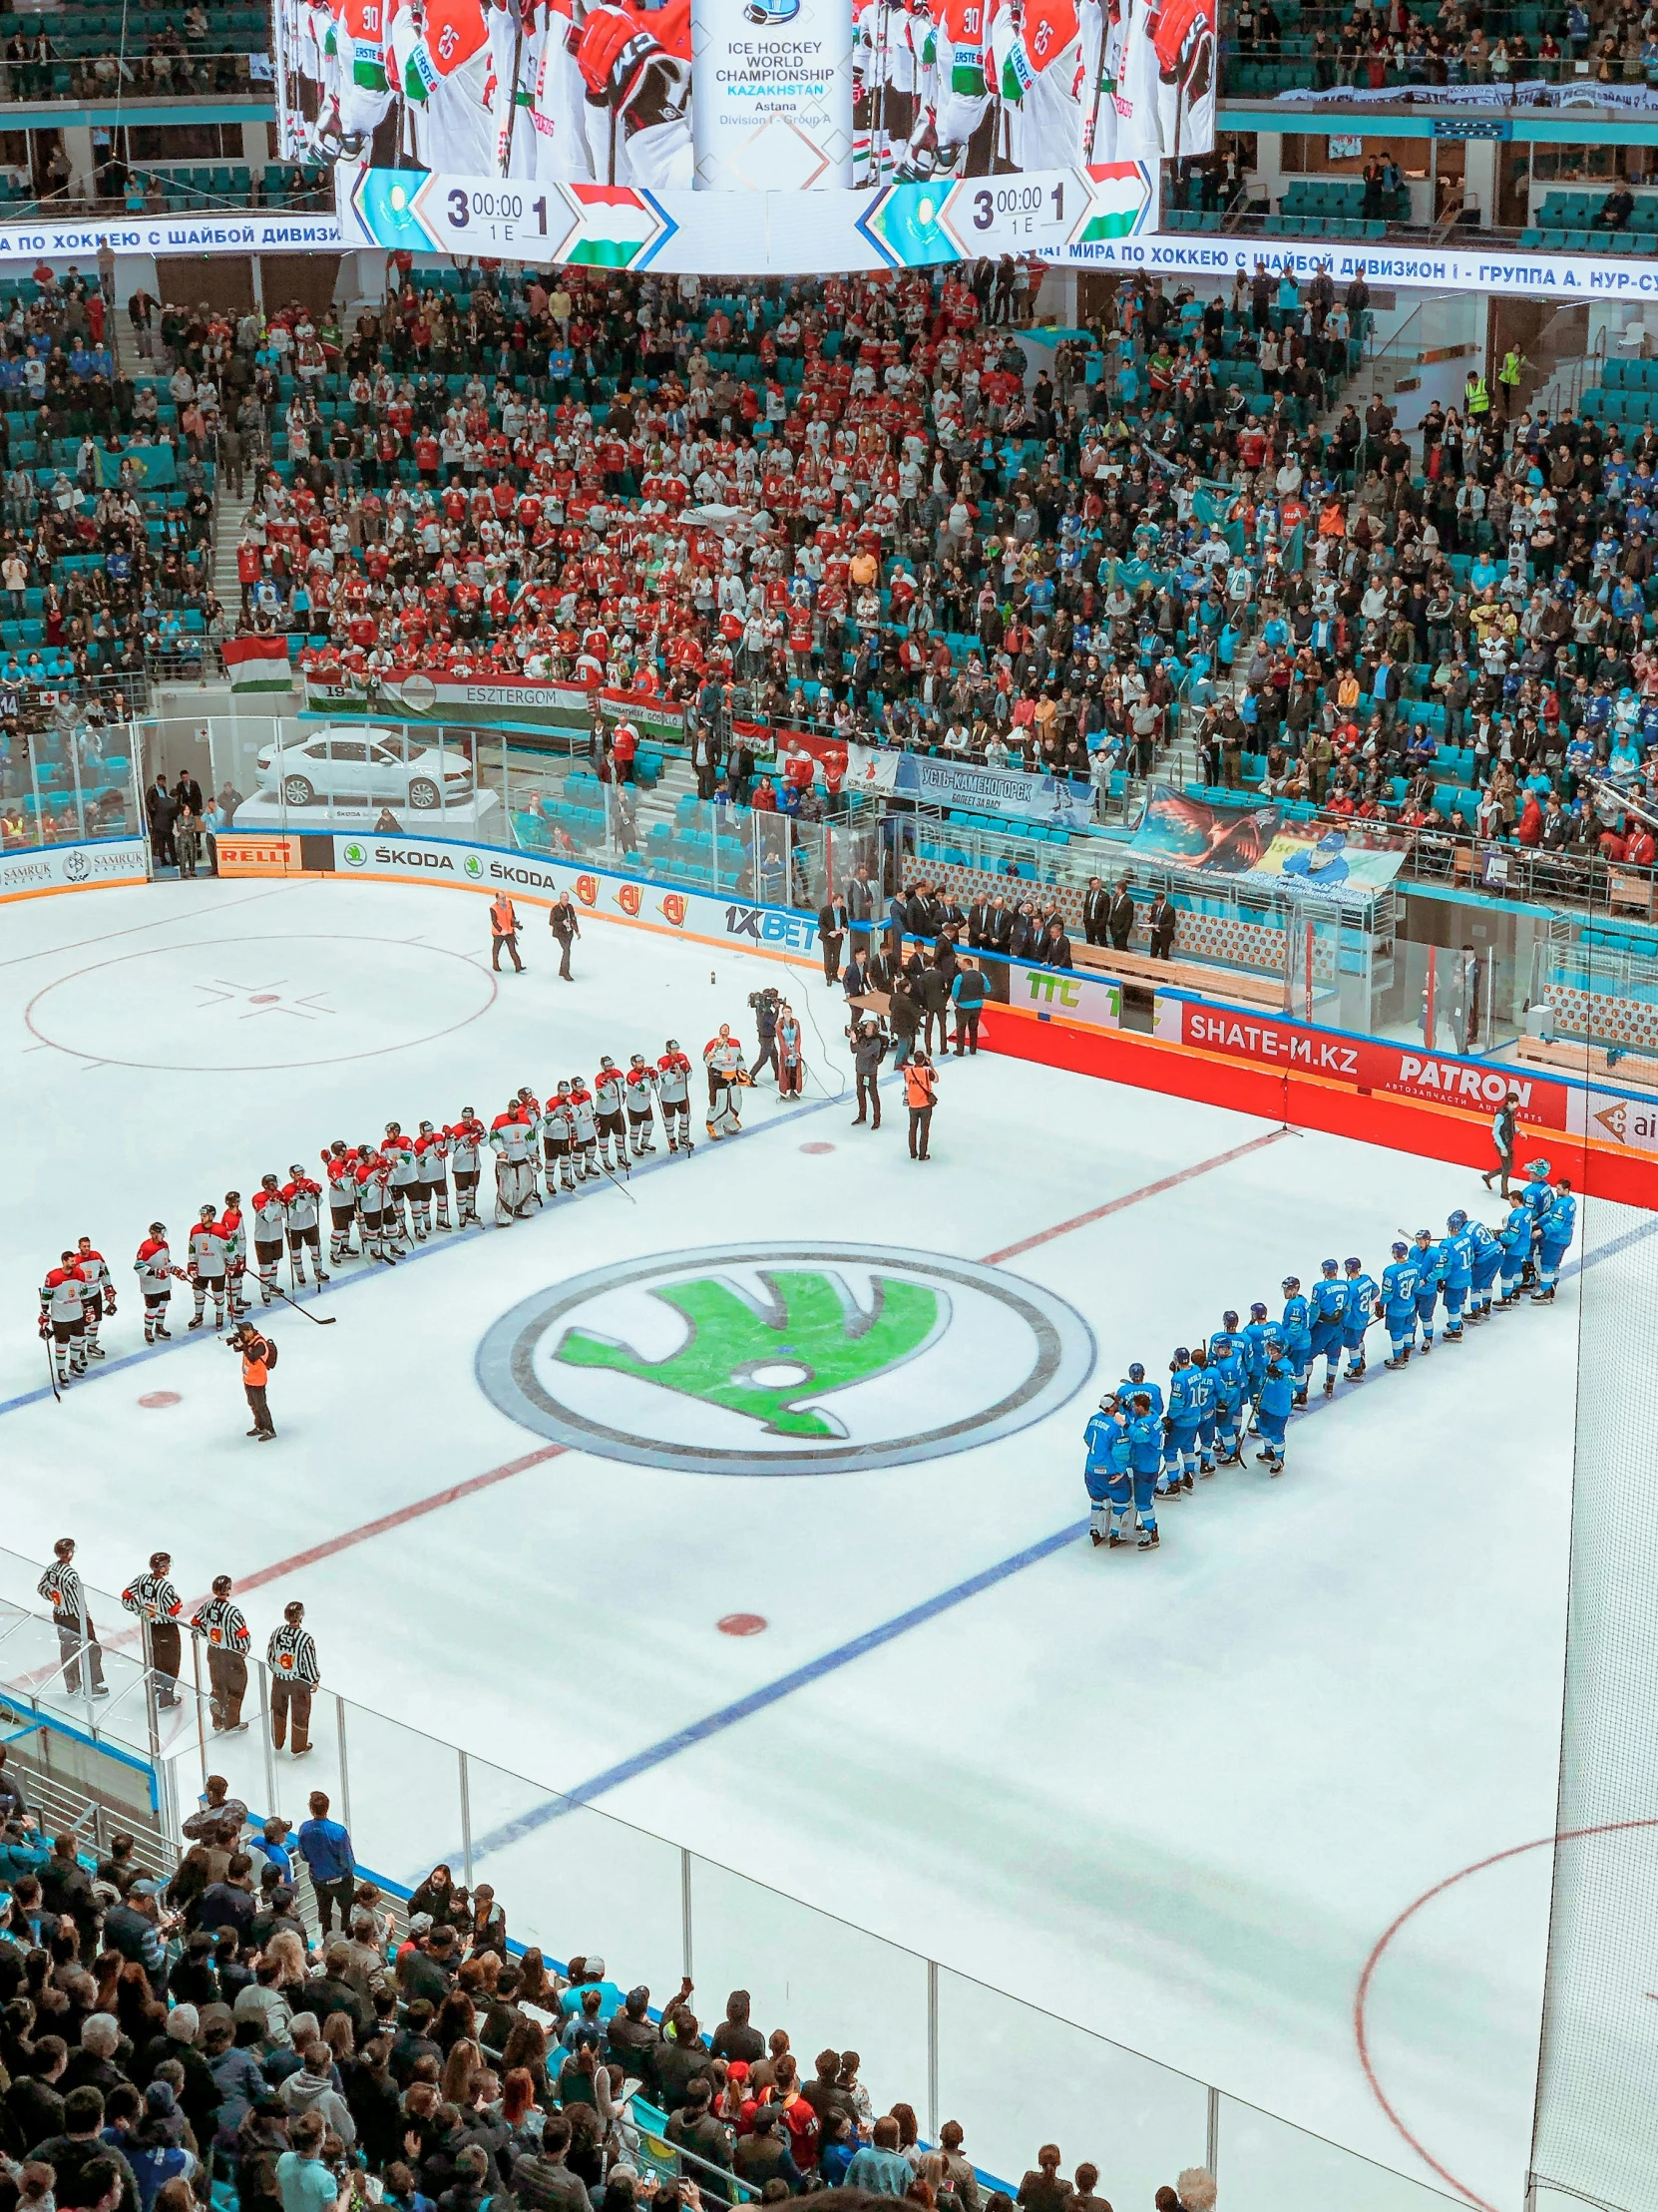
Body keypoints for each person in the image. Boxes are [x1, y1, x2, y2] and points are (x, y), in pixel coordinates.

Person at [38, 1536, 107, 1698]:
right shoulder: (71, 1575)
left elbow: (41, 1588)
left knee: (68, 1650)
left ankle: (72, 1685)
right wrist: (85, 1619)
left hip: (59, 1615)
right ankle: (92, 1686)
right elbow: (78, 1603)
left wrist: (53, 1597)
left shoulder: (51, 1569)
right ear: (68, 1553)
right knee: (92, 1649)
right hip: (74, 1618)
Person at [121, 1552, 184, 1711]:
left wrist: (139, 1609)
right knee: (170, 1664)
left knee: (154, 1658)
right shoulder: (165, 1587)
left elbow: (126, 1596)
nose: (168, 1567)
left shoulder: (142, 1579)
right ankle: (166, 1699)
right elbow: (174, 1608)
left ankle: (153, 1689)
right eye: (167, 1565)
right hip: (166, 1629)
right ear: (161, 1568)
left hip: (148, 1626)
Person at [296, 1792, 355, 1937]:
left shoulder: (304, 1829)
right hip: (341, 1880)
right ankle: (346, 1939)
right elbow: (347, 1860)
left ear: (311, 1809)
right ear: (327, 1808)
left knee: (323, 1911)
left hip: (319, 1879)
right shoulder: (338, 1832)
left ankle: (321, 1939)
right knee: (346, 1910)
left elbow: (303, 1855)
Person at [266, 1600, 318, 1757]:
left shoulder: (277, 1633)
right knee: (300, 1714)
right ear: (300, 1616)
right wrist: (314, 1680)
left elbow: (270, 1656)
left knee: (278, 1711)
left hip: (279, 1680)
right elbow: (309, 1663)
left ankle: (278, 1740)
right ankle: (298, 1745)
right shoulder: (305, 1639)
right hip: (298, 1683)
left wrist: (278, 1671)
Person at [231, 1318, 277, 1441]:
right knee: (253, 1404)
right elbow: (237, 1349)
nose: (243, 1334)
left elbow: (252, 1358)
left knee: (261, 1405)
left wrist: (243, 1347)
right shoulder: (249, 1341)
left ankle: (270, 1430)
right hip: (249, 1378)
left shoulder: (260, 1344)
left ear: (250, 1331)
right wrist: (238, 1344)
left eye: (244, 1332)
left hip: (258, 1380)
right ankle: (260, 1426)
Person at [849, 1011, 888, 1128]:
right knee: (860, 1093)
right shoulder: (863, 1037)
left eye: (869, 1028)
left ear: (874, 1030)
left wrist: (855, 1041)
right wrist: (853, 1038)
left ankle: (877, 1119)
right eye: (866, 1027)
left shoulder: (876, 1043)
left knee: (873, 1095)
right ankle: (862, 1116)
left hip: (870, 1072)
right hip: (860, 1070)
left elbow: (864, 1052)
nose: (866, 1029)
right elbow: (853, 1050)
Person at [1482, 1089, 1519, 1197]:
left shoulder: (1511, 1112)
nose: (1517, 1104)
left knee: (1508, 1166)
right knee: (1507, 1168)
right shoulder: (1501, 1115)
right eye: (1515, 1102)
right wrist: (1502, 1147)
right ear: (1510, 1103)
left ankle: (1488, 1176)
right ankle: (1504, 1192)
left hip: (1508, 1142)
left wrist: (1519, 1131)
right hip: (1502, 1143)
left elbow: (1511, 1124)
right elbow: (1495, 1132)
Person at [904, 1049, 938, 1161]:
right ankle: (922, 1154)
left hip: (912, 1104)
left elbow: (907, 1081)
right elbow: (936, 1079)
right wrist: (931, 1066)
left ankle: (912, 1153)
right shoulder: (926, 1072)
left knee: (912, 1129)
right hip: (925, 1105)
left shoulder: (908, 1072)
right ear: (924, 1061)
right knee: (924, 1130)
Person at [817, 892, 849, 986]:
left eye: (842, 902)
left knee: (836, 957)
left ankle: (834, 974)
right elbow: (820, 923)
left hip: (838, 936)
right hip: (828, 937)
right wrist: (829, 932)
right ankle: (828, 977)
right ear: (834, 901)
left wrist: (845, 928)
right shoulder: (825, 910)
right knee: (828, 957)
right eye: (839, 902)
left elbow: (845, 921)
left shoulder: (843, 909)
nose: (841, 904)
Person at [489, 892, 524, 974]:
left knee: (512, 950)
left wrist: (515, 923)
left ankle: (518, 966)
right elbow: (494, 922)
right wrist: (501, 930)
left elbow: (512, 915)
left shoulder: (509, 903)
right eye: (502, 898)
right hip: (498, 933)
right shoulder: (493, 908)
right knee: (496, 949)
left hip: (509, 931)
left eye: (504, 897)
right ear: (497, 899)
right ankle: (495, 965)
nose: (504, 900)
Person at [548, 893, 579, 982]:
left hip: (569, 933)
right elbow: (551, 922)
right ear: (560, 899)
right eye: (565, 899)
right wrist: (562, 923)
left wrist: (577, 931)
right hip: (560, 934)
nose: (567, 901)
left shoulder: (570, 907)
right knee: (567, 951)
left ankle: (562, 970)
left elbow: (573, 919)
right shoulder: (555, 909)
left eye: (567, 899)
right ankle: (566, 972)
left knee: (566, 951)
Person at [1146, 889, 1177, 959]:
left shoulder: (1170, 909)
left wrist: (1159, 927)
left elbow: (1171, 924)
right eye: (1155, 901)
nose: (1156, 902)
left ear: (1162, 900)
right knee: (1153, 954)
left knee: (1164, 955)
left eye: (1157, 901)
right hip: (1155, 934)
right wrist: (1149, 920)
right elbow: (1154, 916)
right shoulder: (1154, 906)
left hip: (1165, 936)